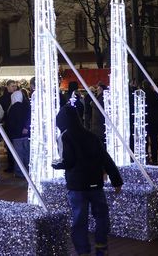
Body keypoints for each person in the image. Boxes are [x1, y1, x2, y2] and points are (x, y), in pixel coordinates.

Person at [52, 100, 123, 256]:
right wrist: (116, 180)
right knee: (101, 216)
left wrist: (55, 164)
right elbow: (106, 158)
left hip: (77, 186)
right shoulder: (91, 135)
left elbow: (68, 161)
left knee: (79, 220)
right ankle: (101, 246)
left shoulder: (65, 136)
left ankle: (83, 251)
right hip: (95, 183)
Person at [7, 89, 31, 177]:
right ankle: (28, 169)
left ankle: (19, 171)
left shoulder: (13, 107)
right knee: (26, 151)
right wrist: (26, 128)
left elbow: (11, 122)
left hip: (16, 134)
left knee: (18, 153)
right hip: (25, 133)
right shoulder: (25, 106)